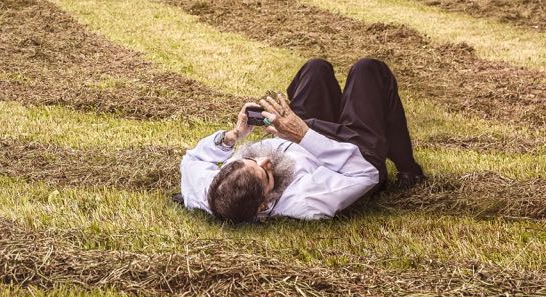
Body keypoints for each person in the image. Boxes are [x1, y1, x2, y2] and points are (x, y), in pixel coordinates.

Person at [180, 57, 426, 223]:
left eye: (250, 160)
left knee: (315, 68)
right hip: (352, 156)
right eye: (266, 174)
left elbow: (192, 160)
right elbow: (365, 174)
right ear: (263, 206)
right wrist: (302, 134)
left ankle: (316, 119)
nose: (264, 160)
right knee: (368, 70)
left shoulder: (211, 193)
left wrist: (234, 136)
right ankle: (409, 170)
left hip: (297, 135)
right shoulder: (307, 201)